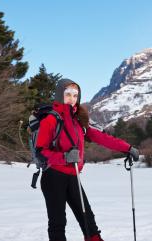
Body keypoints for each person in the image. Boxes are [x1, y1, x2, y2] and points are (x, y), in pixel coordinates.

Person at [36, 79, 139, 241]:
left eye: (75, 95)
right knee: (58, 223)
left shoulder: (79, 120)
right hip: (53, 176)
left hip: (73, 176)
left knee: (88, 220)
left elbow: (101, 137)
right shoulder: (50, 120)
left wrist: (127, 148)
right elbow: (40, 152)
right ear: (59, 95)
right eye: (68, 94)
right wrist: (64, 157)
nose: (71, 98)